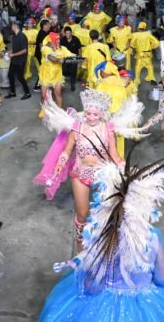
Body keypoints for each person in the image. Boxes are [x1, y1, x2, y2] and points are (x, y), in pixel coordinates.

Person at [38, 158, 164, 322]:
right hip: (147, 304)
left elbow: (92, 286)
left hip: (103, 307)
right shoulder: (152, 237)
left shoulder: (103, 237)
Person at [35, 89, 127, 252]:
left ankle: (106, 245)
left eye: (95, 114)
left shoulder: (108, 130)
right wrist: (60, 163)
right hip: (80, 174)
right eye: (88, 113)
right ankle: (80, 247)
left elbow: (114, 155)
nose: (91, 117)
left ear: (102, 114)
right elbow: (67, 151)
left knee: (108, 212)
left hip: (103, 175)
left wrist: (123, 166)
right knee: (82, 214)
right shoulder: (77, 128)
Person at [38, 32, 74, 116]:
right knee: (44, 95)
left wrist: (81, 58)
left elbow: (72, 56)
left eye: (59, 39)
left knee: (58, 94)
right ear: (51, 40)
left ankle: (59, 111)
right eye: (56, 39)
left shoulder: (62, 48)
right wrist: (58, 60)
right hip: (46, 75)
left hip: (57, 75)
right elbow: (51, 58)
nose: (58, 41)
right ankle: (44, 109)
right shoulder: (45, 48)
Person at [61, 26, 82, 92]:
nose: (68, 35)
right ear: (65, 33)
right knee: (63, 70)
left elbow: (79, 49)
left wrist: (80, 59)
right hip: (66, 57)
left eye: (69, 33)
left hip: (74, 57)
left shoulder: (76, 39)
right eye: (66, 33)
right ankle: (61, 83)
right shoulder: (62, 40)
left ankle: (72, 83)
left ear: (71, 33)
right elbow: (61, 50)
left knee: (73, 70)